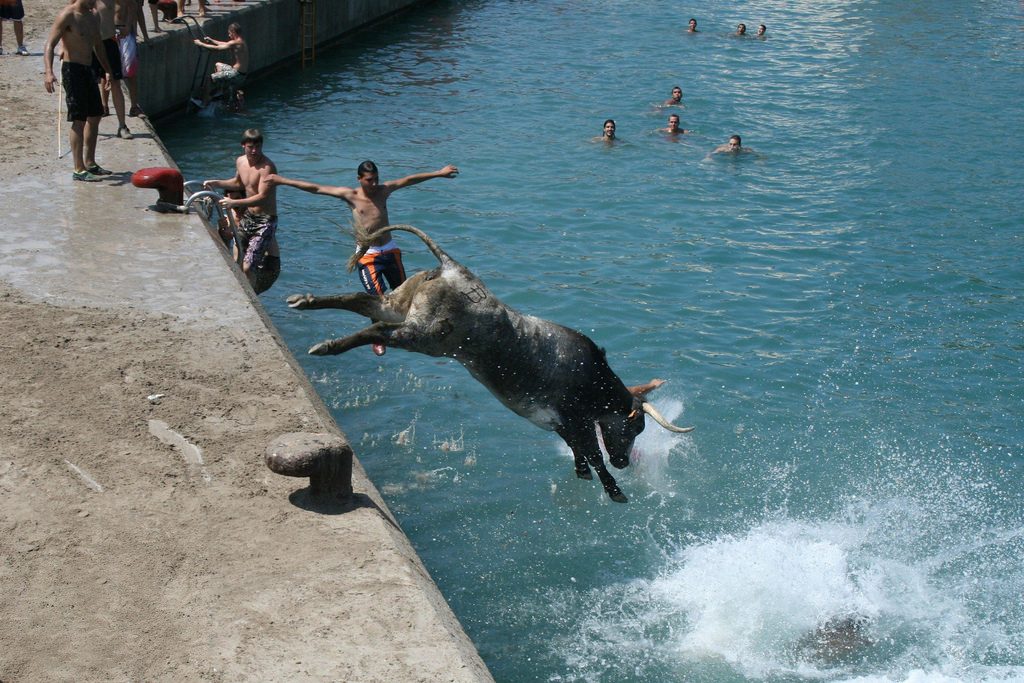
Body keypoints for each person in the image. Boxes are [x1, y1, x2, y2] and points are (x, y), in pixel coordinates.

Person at [266, 161, 459, 355]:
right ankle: (376, 337)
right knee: (377, 299)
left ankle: (418, 331)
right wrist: (282, 180)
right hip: (368, 256)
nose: (374, 184)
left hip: (391, 252)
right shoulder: (351, 196)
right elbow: (316, 188)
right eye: (369, 180)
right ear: (359, 179)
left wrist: (438, 173)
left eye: (376, 179)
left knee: (404, 296)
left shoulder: (384, 191)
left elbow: (409, 180)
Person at [202, 128, 281, 294]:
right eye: (251, 147)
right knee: (236, 259)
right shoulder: (240, 162)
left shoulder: (267, 168)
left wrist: (234, 202)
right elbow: (238, 183)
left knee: (247, 266)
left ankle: (251, 298)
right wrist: (216, 183)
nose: (254, 151)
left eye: (258, 147)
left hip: (265, 220)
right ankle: (237, 291)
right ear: (243, 145)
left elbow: (263, 197)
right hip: (249, 217)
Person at [43, 0, 114, 181]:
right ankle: (78, 169)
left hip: (89, 69)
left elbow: (98, 45)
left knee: (95, 115)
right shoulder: (68, 15)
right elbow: (50, 45)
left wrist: (107, 70)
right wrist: (49, 72)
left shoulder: (94, 15)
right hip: (72, 70)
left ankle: (90, 162)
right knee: (79, 119)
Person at [93, 0, 132, 139]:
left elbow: (129, 5)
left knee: (116, 83)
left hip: (108, 41)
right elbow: (71, 14)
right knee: (89, 84)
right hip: (89, 43)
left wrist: (126, 24)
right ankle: (87, 124)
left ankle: (122, 125)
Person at [192, 22, 248, 108]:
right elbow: (224, 44)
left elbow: (217, 48)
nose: (229, 35)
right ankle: (219, 91)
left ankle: (205, 102)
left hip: (236, 74)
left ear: (233, 32)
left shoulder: (236, 43)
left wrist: (201, 44)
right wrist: (211, 40)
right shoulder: (240, 41)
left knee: (209, 78)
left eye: (229, 33)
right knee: (218, 65)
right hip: (239, 73)